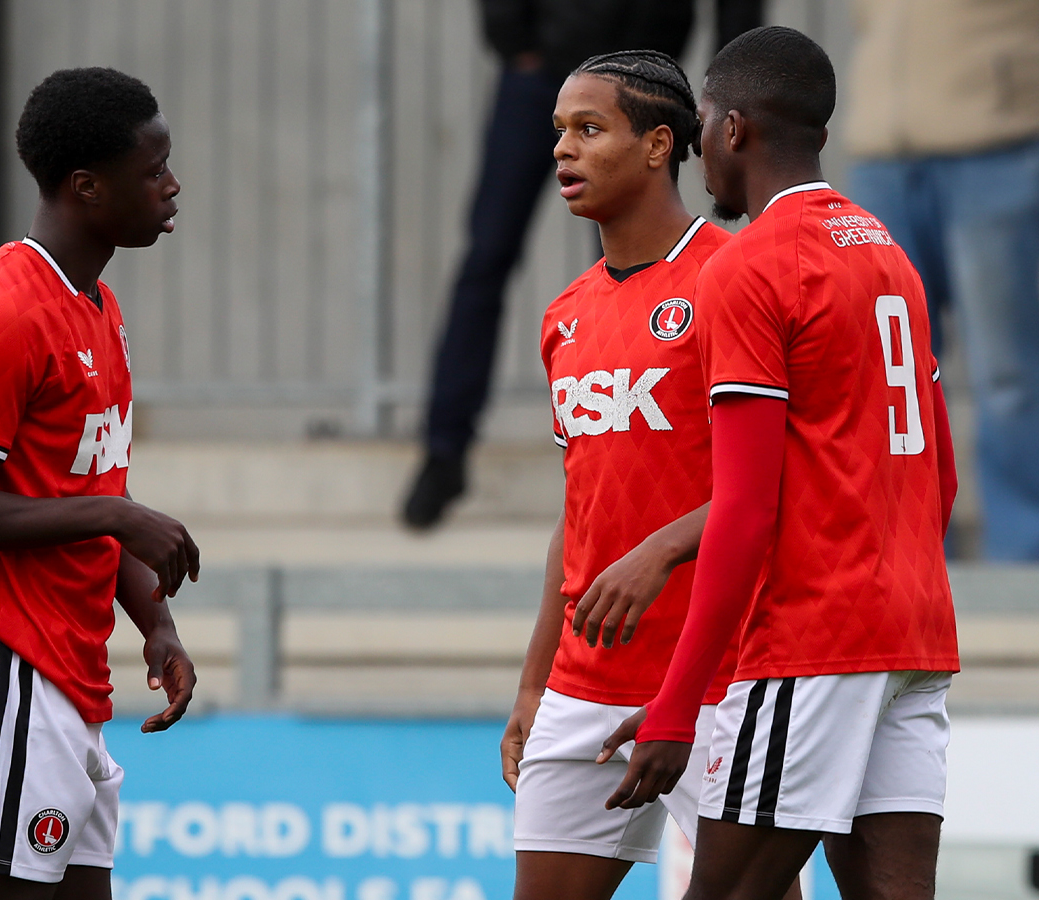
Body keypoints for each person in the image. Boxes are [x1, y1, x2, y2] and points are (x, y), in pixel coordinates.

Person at [598, 27, 960, 900]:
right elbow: (940, 471)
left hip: (817, 639)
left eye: (703, 129)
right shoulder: (886, 252)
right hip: (914, 633)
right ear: (820, 135)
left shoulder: (752, 267)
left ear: (731, 129)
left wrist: (683, 705)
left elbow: (747, 509)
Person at [505, 49, 803, 900]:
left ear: (657, 144)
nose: (564, 149)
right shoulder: (566, 314)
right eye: (558, 131)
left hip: (720, 679)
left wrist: (659, 553)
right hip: (586, 681)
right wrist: (535, 679)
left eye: (590, 129)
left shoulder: (732, 277)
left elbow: (778, 480)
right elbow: (582, 505)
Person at [0, 67, 198, 899]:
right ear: (87, 187)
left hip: (64, 658)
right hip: (0, 649)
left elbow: (75, 485)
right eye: (153, 170)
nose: (171, 185)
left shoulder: (94, 305)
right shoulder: (9, 315)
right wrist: (118, 513)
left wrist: (156, 622)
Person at [402, 0, 765, 530]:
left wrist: (725, 90)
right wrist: (514, 41)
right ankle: (443, 451)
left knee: (638, 273)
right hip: (543, 70)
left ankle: (640, 456)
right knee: (487, 255)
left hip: (641, 80)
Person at [843, 0, 1039, 561]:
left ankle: (1024, 554)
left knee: (1005, 364)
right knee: (895, 370)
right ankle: (910, 549)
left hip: (999, 149)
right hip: (884, 160)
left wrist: (1027, 105)